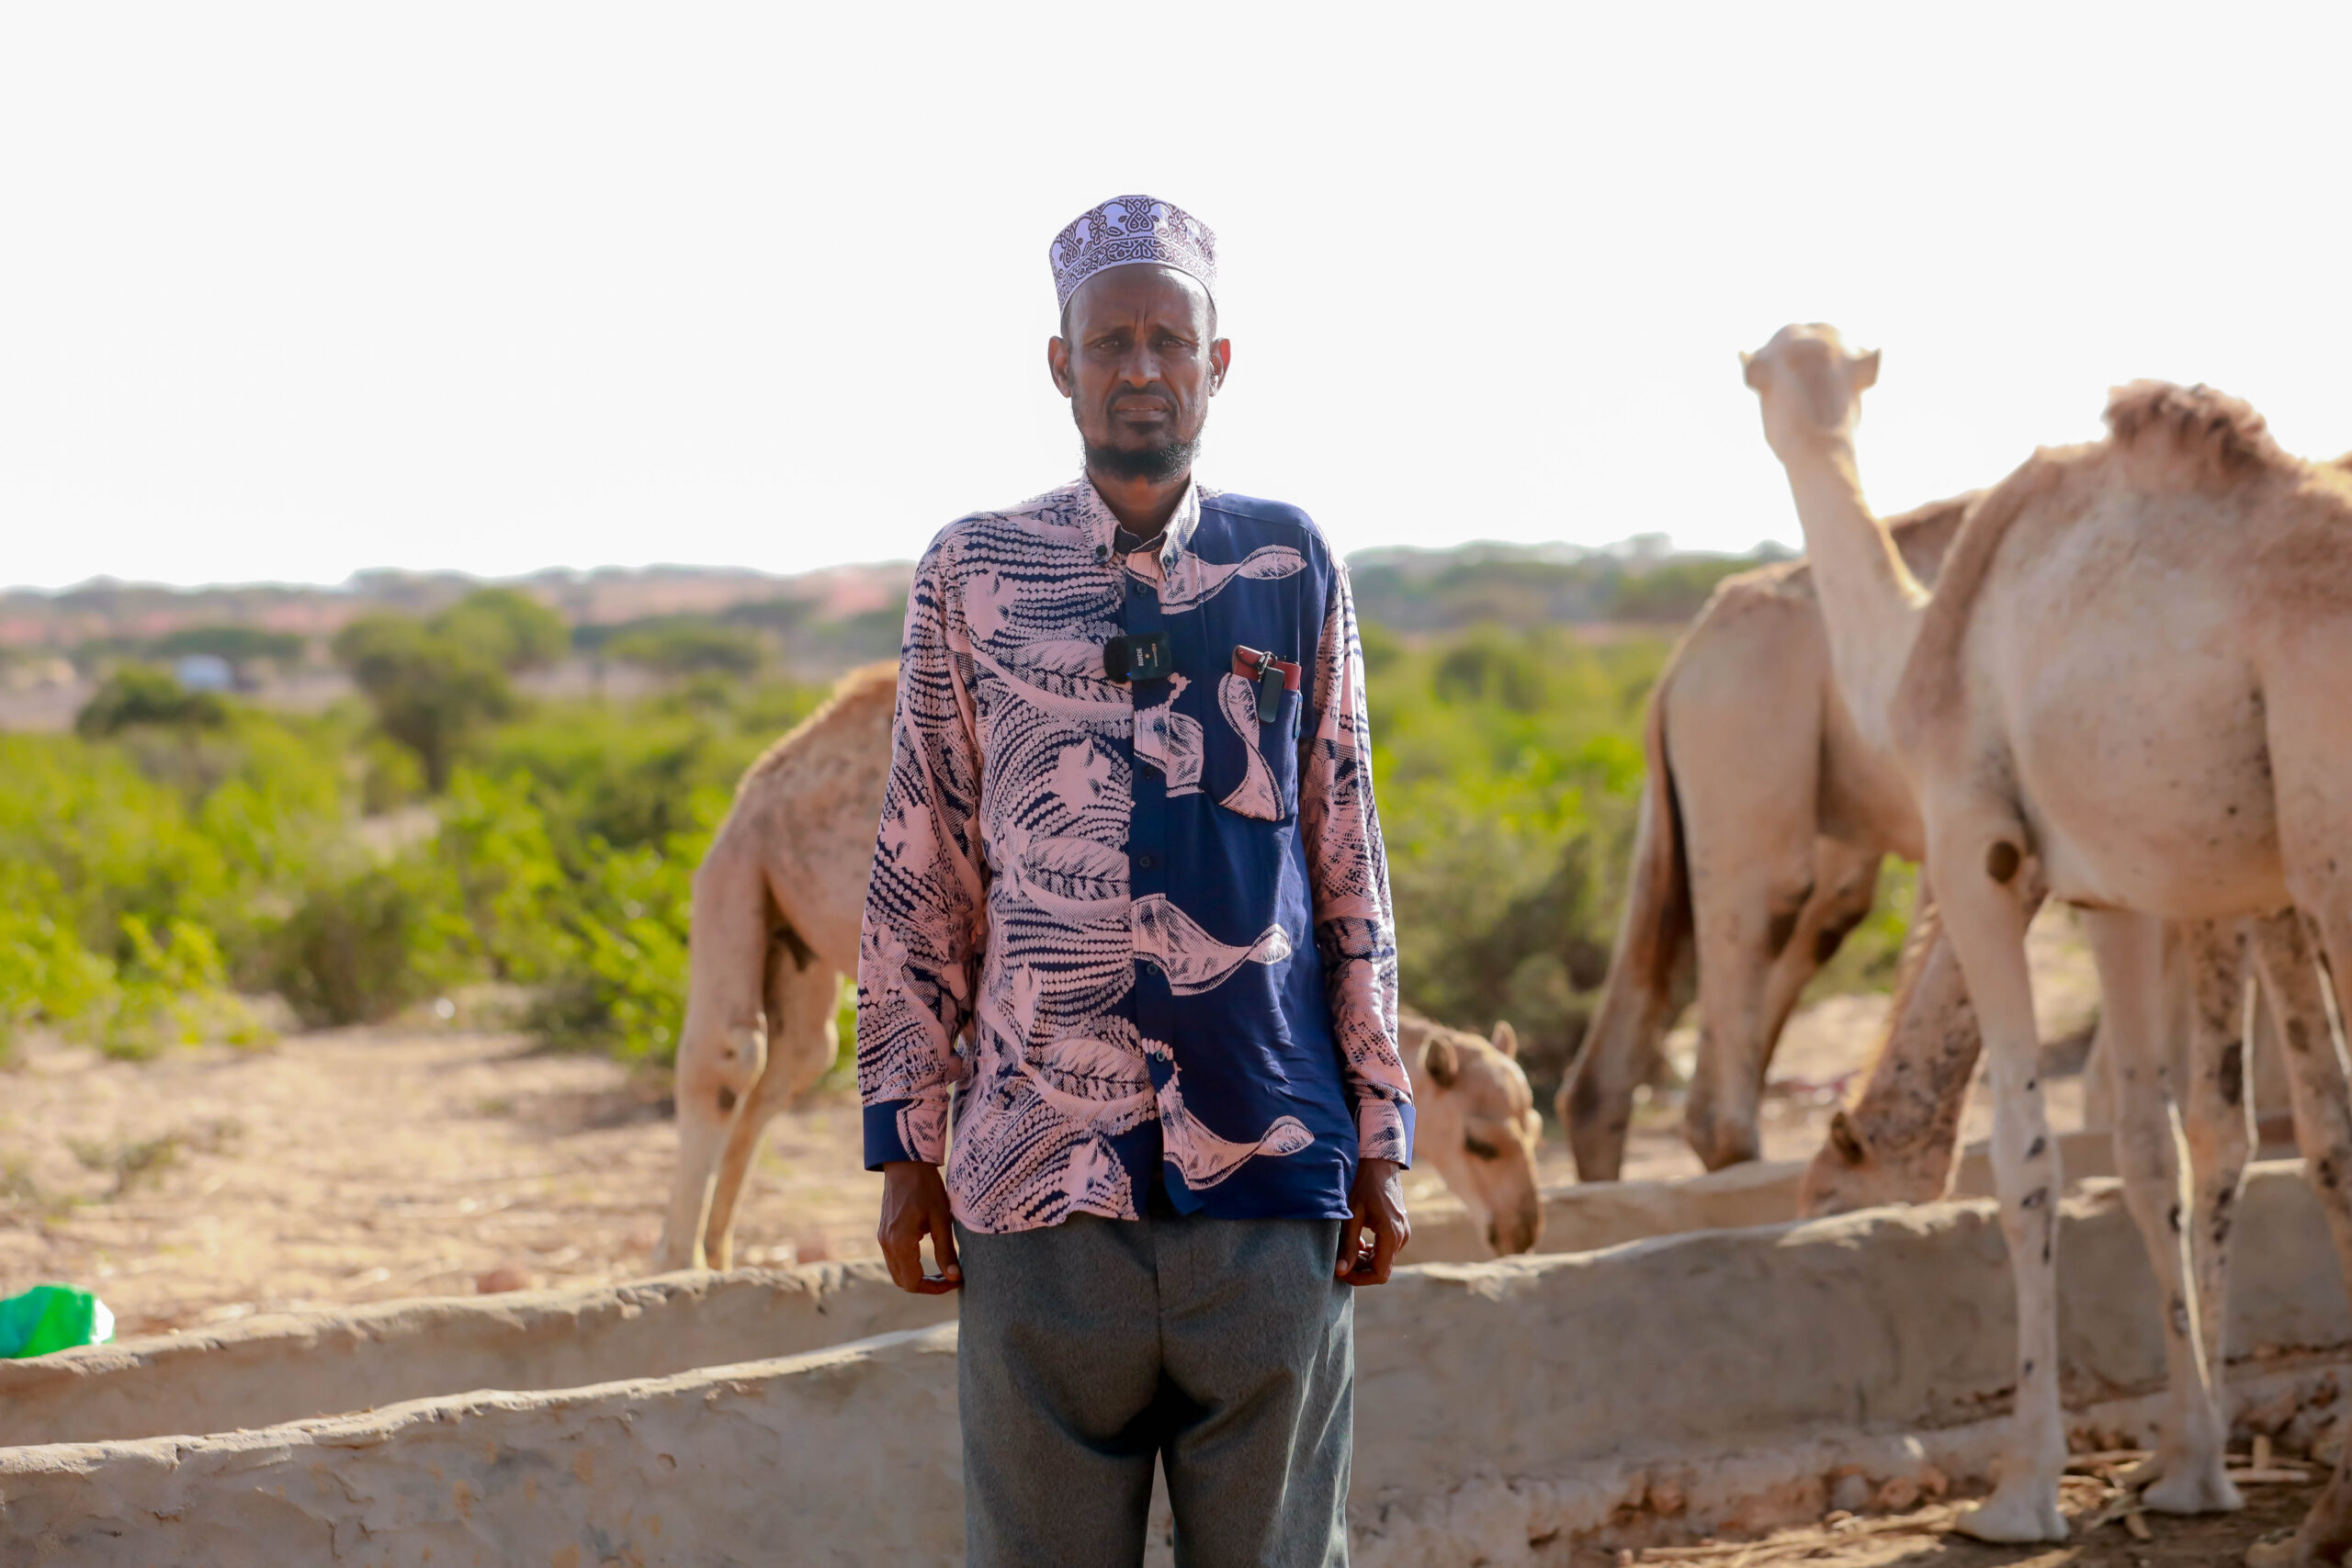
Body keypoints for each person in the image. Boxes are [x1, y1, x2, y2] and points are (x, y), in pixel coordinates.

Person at [856, 194, 1412, 1568]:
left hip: (1269, 1173)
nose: (1143, 367)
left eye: (1173, 339)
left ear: (1220, 363)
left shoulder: (1292, 565)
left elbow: (1344, 853)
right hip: (1038, 1185)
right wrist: (904, 1143)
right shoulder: (973, 575)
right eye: (1112, 341)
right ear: (1062, 363)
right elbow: (920, 864)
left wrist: (1383, 1131)